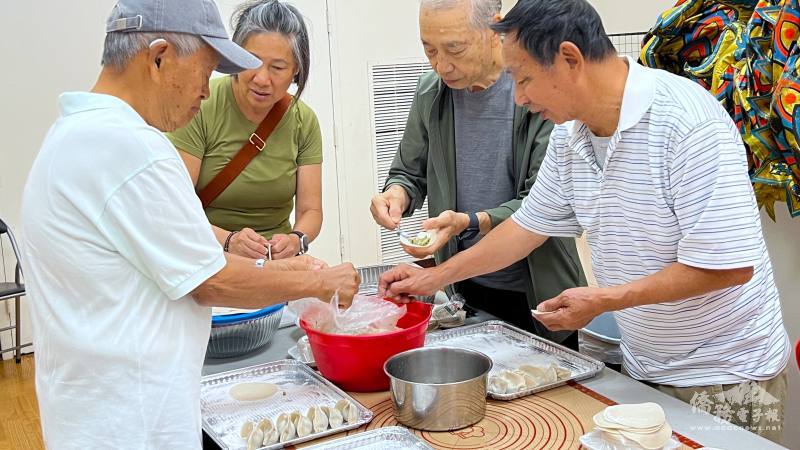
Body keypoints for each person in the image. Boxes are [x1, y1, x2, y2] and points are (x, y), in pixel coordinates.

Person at [379, 0, 790, 441]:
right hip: (644, 365)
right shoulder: (570, 135)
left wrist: (605, 299)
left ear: (569, 60)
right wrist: (433, 277)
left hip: (728, 377)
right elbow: (523, 231)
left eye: (525, 79)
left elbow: (728, 266)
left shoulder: (686, 124)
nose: (518, 97)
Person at [19, 1, 359, 448]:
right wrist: (316, 283)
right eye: (206, 70)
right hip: (132, 423)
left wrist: (299, 265)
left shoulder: (75, 135)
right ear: (159, 57)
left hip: (94, 411)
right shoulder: (131, 152)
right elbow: (211, 280)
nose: (205, 90)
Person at [369, 0, 586, 348]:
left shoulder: (537, 94)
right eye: (429, 50)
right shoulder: (431, 92)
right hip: (463, 289)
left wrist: (469, 221)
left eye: (454, 48)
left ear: (494, 31)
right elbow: (409, 172)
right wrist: (396, 195)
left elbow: (542, 205)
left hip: (538, 291)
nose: (441, 64)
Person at [168, 0, 321, 260]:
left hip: (276, 261)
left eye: (278, 68)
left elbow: (311, 211)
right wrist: (229, 241)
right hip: (209, 253)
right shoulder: (201, 105)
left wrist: (296, 240)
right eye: (251, 61)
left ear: (296, 69)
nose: (262, 78)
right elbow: (175, 208)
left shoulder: (303, 121)